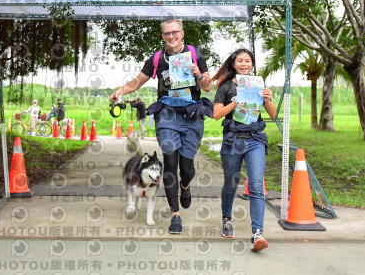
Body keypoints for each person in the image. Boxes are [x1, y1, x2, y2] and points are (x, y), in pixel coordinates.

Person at [109, 17, 213, 234]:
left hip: (191, 115)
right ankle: (175, 215)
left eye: (175, 32)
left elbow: (208, 87)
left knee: (186, 168)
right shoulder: (158, 58)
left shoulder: (195, 54)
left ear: (182, 34)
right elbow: (138, 81)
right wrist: (121, 91)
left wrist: (198, 74)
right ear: (163, 36)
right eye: (167, 33)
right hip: (167, 115)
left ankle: (185, 185)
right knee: (170, 162)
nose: (171, 36)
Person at [211, 48, 277, 251]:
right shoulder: (225, 86)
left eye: (247, 61)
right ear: (233, 64)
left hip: (255, 140)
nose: (244, 64)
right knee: (231, 184)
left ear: (252, 64)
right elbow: (216, 114)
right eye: (240, 61)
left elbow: (273, 114)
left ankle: (257, 233)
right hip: (233, 140)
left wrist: (267, 99)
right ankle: (227, 218)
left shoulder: (258, 84)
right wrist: (235, 102)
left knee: (256, 185)